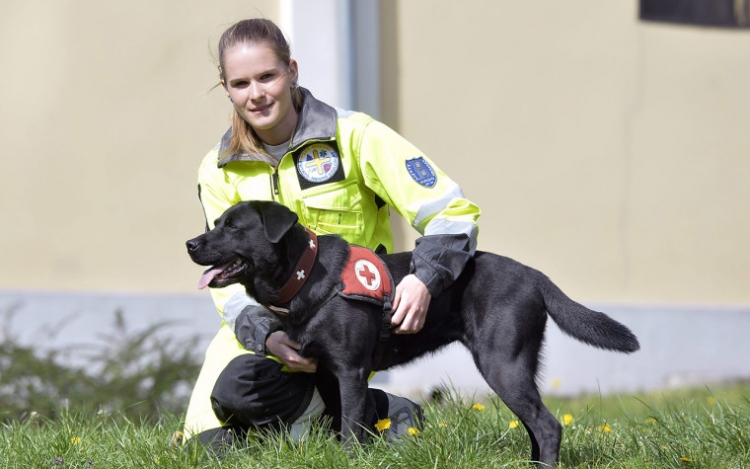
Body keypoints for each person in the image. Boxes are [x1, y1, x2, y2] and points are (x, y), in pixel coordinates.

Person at [183, 18, 481, 450]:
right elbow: (226, 278)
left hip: (347, 322)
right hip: (271, 327)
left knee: (247, 436)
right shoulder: (217, 168)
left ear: (292, 71)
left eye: (268, 76)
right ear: (226, 88)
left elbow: (451, 214)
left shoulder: (356, 137)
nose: (257, 93)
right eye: (241, 82)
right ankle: (358, 418)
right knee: (204, 444)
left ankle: (351, 418)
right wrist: (266, 335)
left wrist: (425, 279)